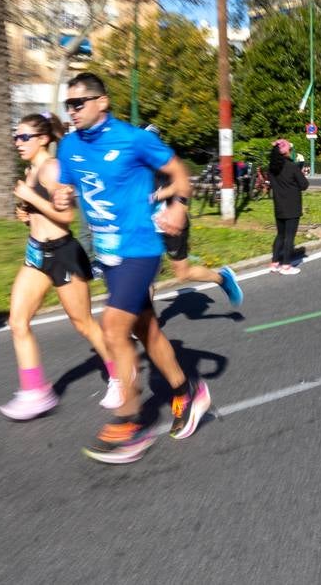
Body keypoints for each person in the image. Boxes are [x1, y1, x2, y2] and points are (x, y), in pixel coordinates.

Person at [53, 73, 211, 464]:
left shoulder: (133, 139)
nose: (71, 111)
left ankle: (129, 422)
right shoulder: (69, 147)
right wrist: (61, 196)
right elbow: (69, 197)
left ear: (102, 102)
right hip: (108, 255)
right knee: (147, 329)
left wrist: (178, 206)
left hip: (140, 247)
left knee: (113, 327)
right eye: (67, 105)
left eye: (79, 103)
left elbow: (179, 173)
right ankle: (185, 391)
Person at [0, 113, 115, 420]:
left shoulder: (51, 169)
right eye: (16, 137)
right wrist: (25, 214)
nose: (18, 143)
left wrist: (29, 198)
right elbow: (40, 213)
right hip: (37, 254)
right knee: (17, 321)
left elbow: (67, 218)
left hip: (63, 253)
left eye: (24, 137)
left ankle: (119, 375)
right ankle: (36, 392)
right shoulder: (31, 170)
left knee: (83, 324)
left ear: (43, 139)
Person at [147, 140, 243, 302]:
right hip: (146, 228)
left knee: (182, 274)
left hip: (170, 226)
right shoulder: (133, 168)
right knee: (145, 279)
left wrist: (157, 197)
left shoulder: (167, 164)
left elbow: (182, 186)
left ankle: (222, 278)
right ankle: (144, 324)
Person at [268, 139, 308, 275]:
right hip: (292, 206)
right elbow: (304, 185)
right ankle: (286, 265)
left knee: (280, 235)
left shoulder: (272, 168)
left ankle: (274, 263)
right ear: (286, 152)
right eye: (289, 150)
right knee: (289, 237)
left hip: (278, 205)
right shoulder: (292, 167)